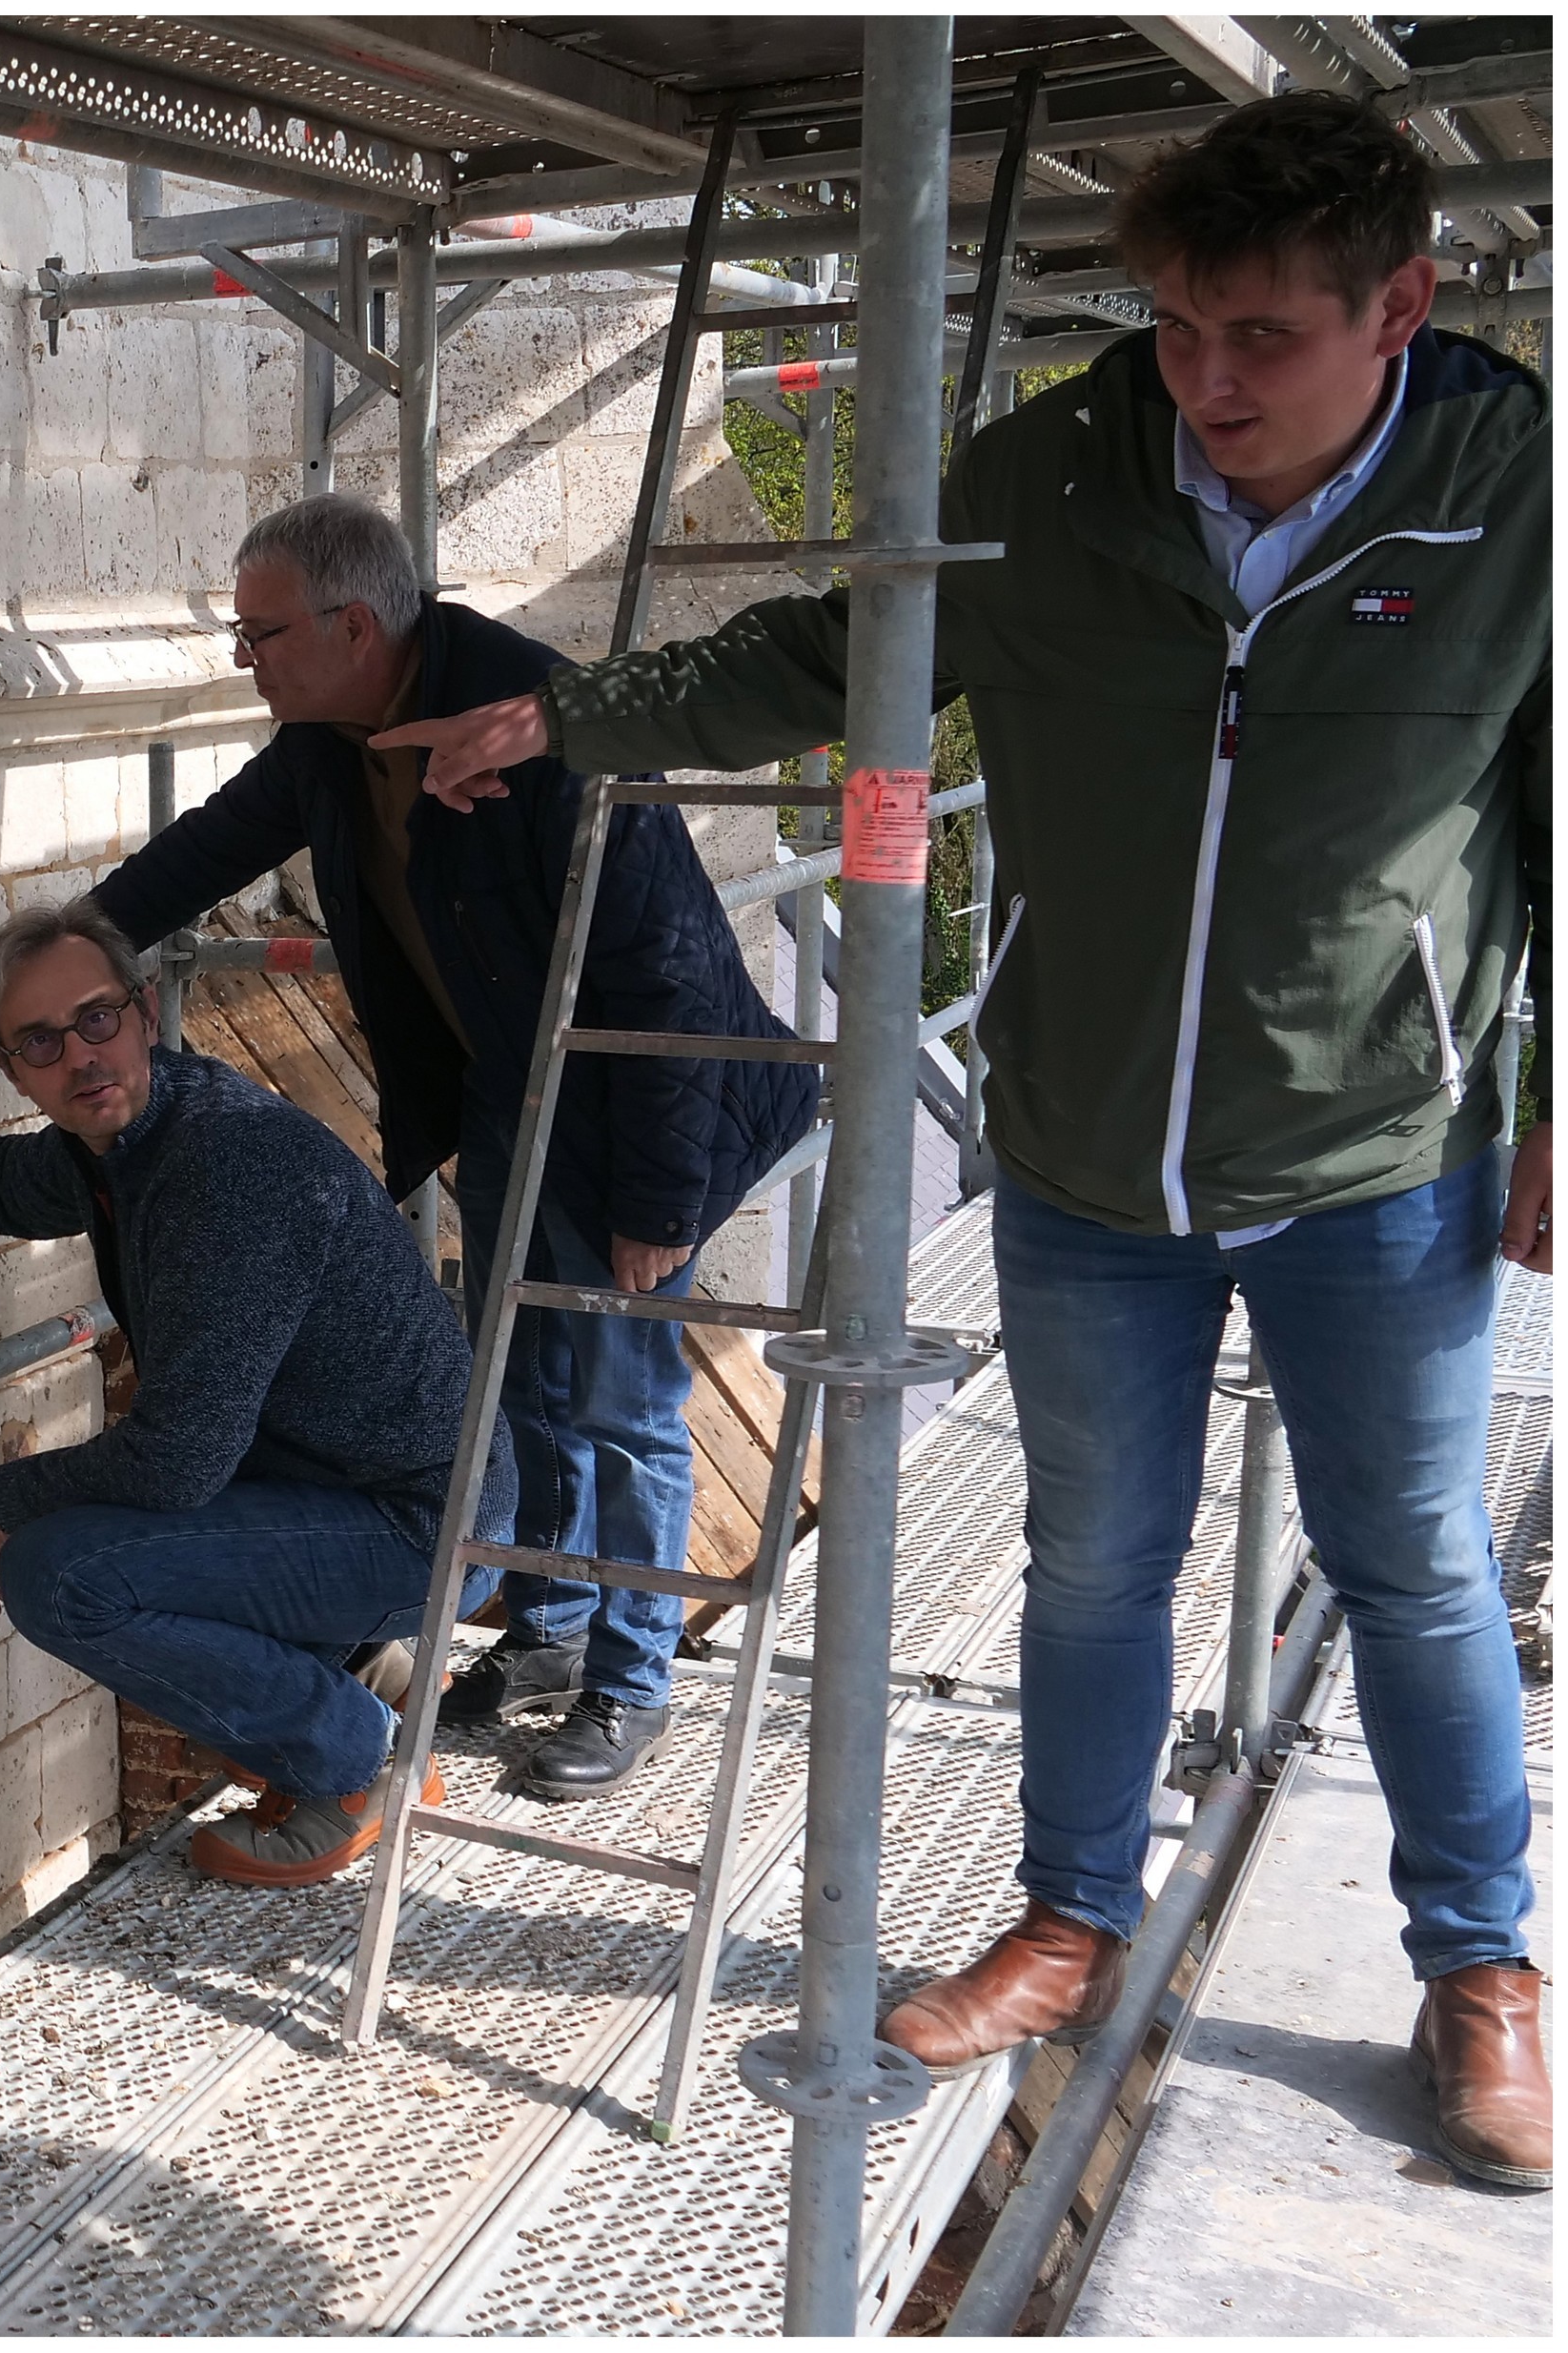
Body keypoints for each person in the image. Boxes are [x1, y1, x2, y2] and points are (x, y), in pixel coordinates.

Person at [382, 94, 1550, 2189]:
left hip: (1378, 1149)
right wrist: (567, 717)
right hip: (1093, 1155)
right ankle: (1071, 1919)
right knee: (1094, 1564)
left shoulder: (1514, 495)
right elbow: (831, 654)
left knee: (1419, 1572)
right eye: (1180, 325)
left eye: (1265, 336)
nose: (1209, 380)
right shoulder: (1061, 470)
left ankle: (1480, 1973)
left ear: (1402, 301)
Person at [30, 493, 819, 1806]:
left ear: (352, 623)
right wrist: (52, 957)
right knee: (519, 1378)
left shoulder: (537, 719)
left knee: (621, 1396)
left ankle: (631, 1680)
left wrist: (662, 1203)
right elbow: (206, 851)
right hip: (513, 1097)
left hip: (632, 1110)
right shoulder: (333, 736)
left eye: (261, 633)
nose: (250, 660)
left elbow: (671, 970)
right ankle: (547, 1636)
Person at [0, 901, 510, 1886]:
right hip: (363, 1488)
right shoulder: (138, 1137)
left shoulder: (226, 1170)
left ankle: (355, 1760)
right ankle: (363, 1674)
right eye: (40, 1042)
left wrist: (4, 1497)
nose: (79, 1057)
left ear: (140, 1013)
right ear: (9, 1069)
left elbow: (179, 1461)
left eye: (95, 1018)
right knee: (56, 1519)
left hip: (426, 1526)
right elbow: (0, 1181)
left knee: (62, 1572)